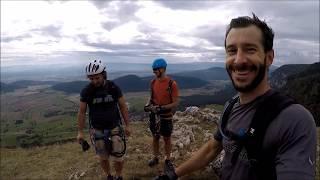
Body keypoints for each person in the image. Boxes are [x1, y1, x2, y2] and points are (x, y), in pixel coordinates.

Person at [156, 13, 317, 180]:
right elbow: (212, 149)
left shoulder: (294, 120)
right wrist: (172, 175)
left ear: (269, 57)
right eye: (232, 51)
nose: (239, 60)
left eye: (250, 49)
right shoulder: (231, 107)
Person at [77, 59, 131, 180]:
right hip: (97, 129)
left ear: (103, 75)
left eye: (97, 78)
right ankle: (109, 176)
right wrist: (80, 132)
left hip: (114, 126)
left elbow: (122, 106)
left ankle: (119, 176)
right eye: (91, 79)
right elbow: (81, 112)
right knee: (103, 157)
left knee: (118, 156)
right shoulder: (87, 91)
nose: (94, 81)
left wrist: (127, 125)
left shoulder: (113, 87)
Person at [144, 58, 179, 168]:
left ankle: (167, 159)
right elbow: (151, 97)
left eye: (156, 69)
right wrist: (147, 105)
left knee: (167, 138)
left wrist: (161, 108)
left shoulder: (171, 84)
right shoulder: (153, 82)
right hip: (154, 114)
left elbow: (175, 103)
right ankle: (155, 157)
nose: (154, 71)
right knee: (155, 136)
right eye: (153, 69)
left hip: (166, 116)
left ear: (163, 69)